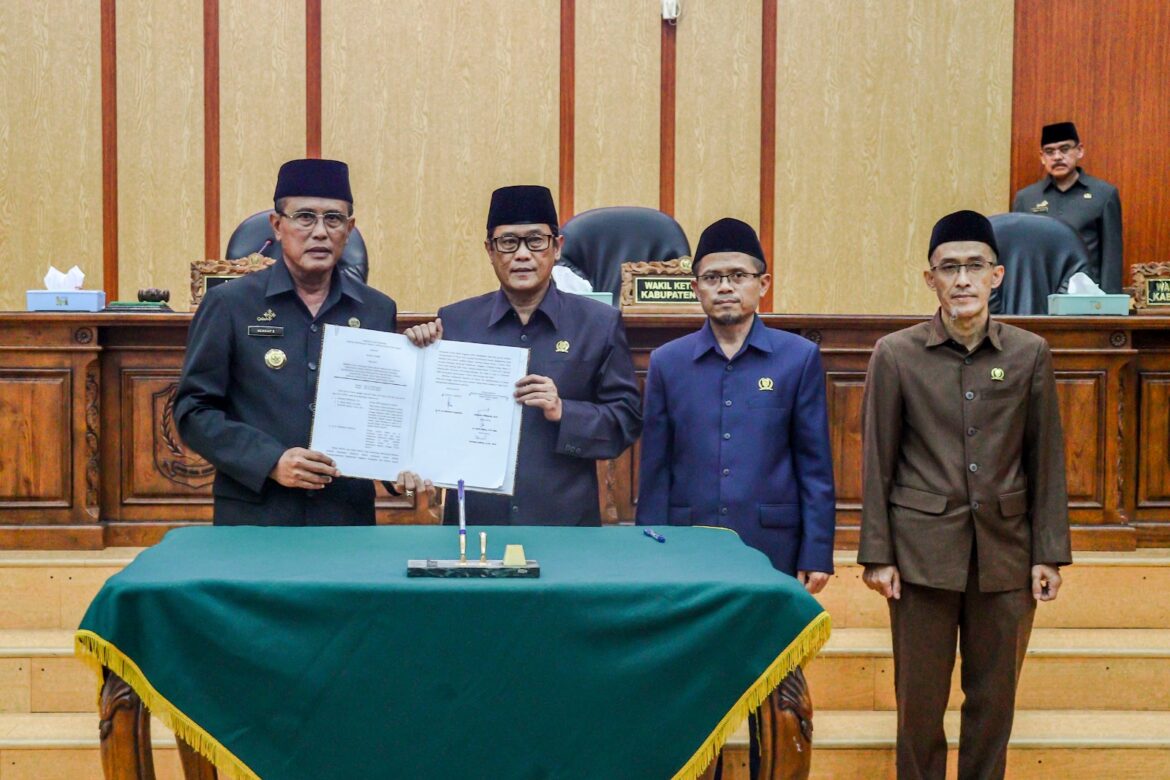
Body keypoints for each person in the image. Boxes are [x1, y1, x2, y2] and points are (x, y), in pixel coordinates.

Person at [858, 210, 1072, 780]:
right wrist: (877, 554)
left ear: (997, 275)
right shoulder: (896, 355)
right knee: (920, 708)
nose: (962, 280)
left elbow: (1045, 458)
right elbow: (877, 458)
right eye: (948, 268)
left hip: (1006, 554)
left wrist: (1048, 552)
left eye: (974, 266)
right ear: (930, 279)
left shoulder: (1029, 354)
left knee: (992, 704)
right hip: (921, 556)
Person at [176, 158, 428, 525]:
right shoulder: (229, 304)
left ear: (349, 229)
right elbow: (193, 411)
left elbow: (384, 415)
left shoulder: (377, 310)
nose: (320, 232)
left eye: (334, 219)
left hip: (343, 517)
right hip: (256, 513)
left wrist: (403, 467)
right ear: (277, 226)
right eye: (305, 217)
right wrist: (270, 461)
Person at [404, 185, 642, 525]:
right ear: (489, 250)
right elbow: (424, 419)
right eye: (508, 242)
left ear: (557, 247)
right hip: (475, 525)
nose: (522, 254)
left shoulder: (598, 324)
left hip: (564, 525)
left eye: (535, 241)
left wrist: (564, 411)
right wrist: (417, 353)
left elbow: (626, 422)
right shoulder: (455, 323)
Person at [635, 217, 835, 588]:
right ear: (696, 288)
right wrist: (650, 546)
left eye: (738, 276)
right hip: (686, 543)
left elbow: (814, 466)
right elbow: (655, 470)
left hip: (773, 544)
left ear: (763, 284)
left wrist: (817, 551)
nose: (725, 287)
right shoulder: (667, 362)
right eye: (712, 278)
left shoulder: (799, 357)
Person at [1012, 121, 1123, 292]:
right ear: (1042, 157)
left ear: (1079, 150)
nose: (1057, 157)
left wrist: (1110, 306)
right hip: (1039, 293)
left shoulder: (1104, 195)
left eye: (1065, 149)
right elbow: (1018, 256)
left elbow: (1112, 258)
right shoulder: (1026, 199)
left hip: (1086, 295)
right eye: (1050, 152)